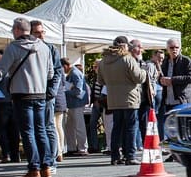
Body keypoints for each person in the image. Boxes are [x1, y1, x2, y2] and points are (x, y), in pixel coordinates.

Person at [0, 17, 53, 177]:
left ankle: (34, 168)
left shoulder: (14, 47)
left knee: (28, 132)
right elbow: (50, 74)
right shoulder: (44, 47)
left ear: (16, 30)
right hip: (40, 93)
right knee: (41, 130)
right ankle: (46, 167)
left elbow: (0, 70)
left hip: (22, 94)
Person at [97, 35, 146, 165]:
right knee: (130, 128)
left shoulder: (103, 61)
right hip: (130, 98)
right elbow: (139, 78)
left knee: (117, 128)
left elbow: (100, 81)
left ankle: (115, 156)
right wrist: (144, 70)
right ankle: (130, 156)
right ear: (124, 46)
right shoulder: (127, 59)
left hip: (113, 99)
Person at [30, 20, 61, 175]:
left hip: (46, 94)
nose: (41, 35)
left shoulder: (50, 48)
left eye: (42, 32)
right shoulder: (28, 48)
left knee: (48, 126)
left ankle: (51, 162)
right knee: (36, 128)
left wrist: (51, 92)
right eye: (37, 32)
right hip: (32, 93)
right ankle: (41, 161)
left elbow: (57, 71)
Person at [0, 49, 20, 163]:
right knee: (14, 129)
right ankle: (15, 154)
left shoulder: (0, 69)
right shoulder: (14, 68)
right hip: (15, 102)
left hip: (3, 103)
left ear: (0, 56)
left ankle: (6, 154)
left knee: (2, 129)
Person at [130, 39, 159, 150]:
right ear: (131, 48)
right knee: (133, 124)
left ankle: (146, 146)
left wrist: (151, 89)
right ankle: (133, 147)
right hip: (132, 99)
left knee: (145, 124)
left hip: (144, 98)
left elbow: (149, 80)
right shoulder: (128, 62)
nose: (140, 50)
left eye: (141, 47)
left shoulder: (143, 63)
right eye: (138, 47)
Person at [63, 58, 89, 156]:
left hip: (76, 103)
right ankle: (72, 147)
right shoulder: (73, 73)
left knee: (79, 126)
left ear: (65, 66)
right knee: (70, 127)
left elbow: (78, 90)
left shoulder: (75, 73)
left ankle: (82, 148)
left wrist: (65, 92)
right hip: (72, 104)